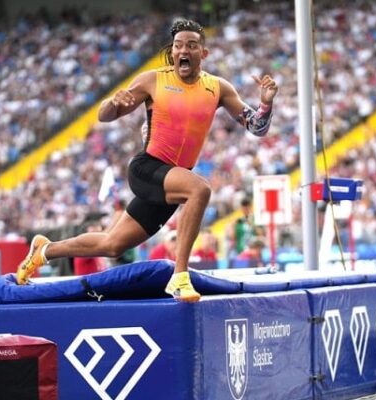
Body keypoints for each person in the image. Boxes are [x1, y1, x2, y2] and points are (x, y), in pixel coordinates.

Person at [15, 19, 278, 302]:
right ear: (172, 51)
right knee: (199, 189)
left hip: (173, 179)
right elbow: (104, 116)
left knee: (113, 244)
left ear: (203, 54)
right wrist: (113, 104)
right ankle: (180, 277)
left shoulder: (218, 88)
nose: (183, 51)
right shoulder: (154, 79)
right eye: (178, 46)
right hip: (147, 168)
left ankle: (44, 250)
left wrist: (266, 104)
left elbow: (256, 127)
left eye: (191, 46)